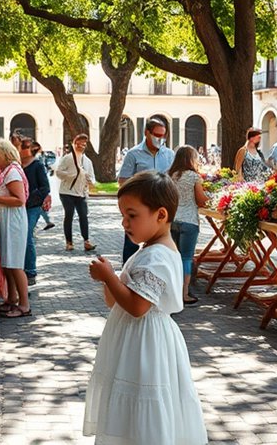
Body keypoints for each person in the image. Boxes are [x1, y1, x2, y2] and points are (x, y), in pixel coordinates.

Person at [84, 171, 207, 444]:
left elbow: (138, 307)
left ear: (160, 215)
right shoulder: (147, 250)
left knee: (144, 400)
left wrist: (110, 277)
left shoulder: (159, 255)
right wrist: (110, 280)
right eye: (123, 216)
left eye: (132, 215)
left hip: (145, 341)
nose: (124, 223)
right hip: (131, 338)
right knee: (128, 411)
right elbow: (114, 301)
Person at [117, 118, 175, 263]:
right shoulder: (133, 154)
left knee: (160, 243)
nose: (159, 139)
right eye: (156, 135)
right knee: (131, 243)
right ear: (147, 133)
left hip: (161, 207)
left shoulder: (169, 154)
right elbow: (123, 181)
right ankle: (127, 273)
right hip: (140, 207)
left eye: (163, 136)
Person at [0, 139, 32, 318]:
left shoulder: (12, 172)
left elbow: (19, 200)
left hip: (13, 223)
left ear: (4, 154)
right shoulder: (5, 171)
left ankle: (24, 305)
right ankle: (11, 299)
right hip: (6, 222)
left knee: (15, 264)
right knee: (8, 263)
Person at [169, 146, 207, 304]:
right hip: (189, 220)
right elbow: (201, 200)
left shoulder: (170, 175)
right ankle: (184, 293)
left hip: (173, 221)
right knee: (186, 258)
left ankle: (172, 291)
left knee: (173, 257)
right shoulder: (193, 176)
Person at [56, 133, 97, 252]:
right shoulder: (67, 158)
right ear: (74, 144)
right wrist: (69, 175)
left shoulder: (87, 161)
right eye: (79, 144)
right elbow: (58, 172)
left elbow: (93, 177)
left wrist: (91, 181)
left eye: (84, 144)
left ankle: (86, 241)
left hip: (81, 193)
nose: (81, 146)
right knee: (69, 215)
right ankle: (69, 242)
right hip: (67, 192)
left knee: (83, 216)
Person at [20, 137, 51, 285]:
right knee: (20, 236)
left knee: (27, 236)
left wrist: (31, 199)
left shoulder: (37, 165)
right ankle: (21, 267)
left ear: (29, 149)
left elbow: (45, 187)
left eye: (22, 147)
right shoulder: (17, 165)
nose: (19, 150)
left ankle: (30, 270)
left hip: (32, 207)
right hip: (18, 207)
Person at [31, 141, 55, 230]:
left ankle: (45, 222)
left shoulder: (37, 159)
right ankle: (47, 221)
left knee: (39, 206)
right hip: (39, 188)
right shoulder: (40, 157)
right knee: (40, 206)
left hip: (37, 188)